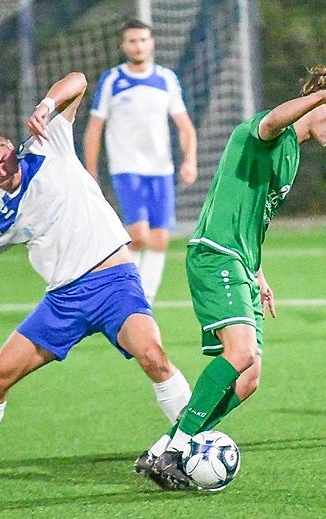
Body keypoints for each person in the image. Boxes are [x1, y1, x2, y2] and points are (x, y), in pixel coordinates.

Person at [0, 72, 192, 491]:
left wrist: (46, 106)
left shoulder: (46, 141)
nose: (1, 171)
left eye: (2, 159)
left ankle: (195, 444)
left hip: (114, 283)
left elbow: (79, 80)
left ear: (7, 145)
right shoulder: (1, 217)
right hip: (63, 302)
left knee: (154, 357)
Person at [138, 65, 326, 490]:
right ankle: (178, 449)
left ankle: (163, 447)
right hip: (215, 254)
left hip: (240, 262)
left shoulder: (293, 154)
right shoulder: (265, 132)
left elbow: (255, 217)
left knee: (249, 378)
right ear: (319, 102)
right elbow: (274, 120)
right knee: (239, 352)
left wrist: (259, 273)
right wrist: (323, 95)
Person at [84, 18, 198, 305]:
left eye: (143, 40)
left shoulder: (167, 79)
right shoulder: (112, 80)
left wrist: (190, 160)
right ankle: (124, 290)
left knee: (160, 239)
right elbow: (94, 128)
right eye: (133, 41)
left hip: (160, 168)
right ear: (124, 46)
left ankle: (144, 299)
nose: (139, 46)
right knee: (138, 236)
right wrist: (90, 172)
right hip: (126, 167)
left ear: (152, 43)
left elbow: (185, 127)